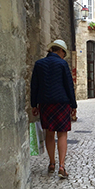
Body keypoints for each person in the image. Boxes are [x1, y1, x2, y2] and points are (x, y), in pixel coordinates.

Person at [30, 39, 77, 178]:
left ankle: (51, 163)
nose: (64, 56)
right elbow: (69, 85)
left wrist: (34, 104)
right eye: (64, 53)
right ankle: (62, 166)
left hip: (45, 104)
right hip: (62, 103)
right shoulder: (62, 64)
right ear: (61, 51)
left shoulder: (39, 64)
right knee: (62, 134)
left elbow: (34, 86)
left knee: (49, 133)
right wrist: (73, 105)